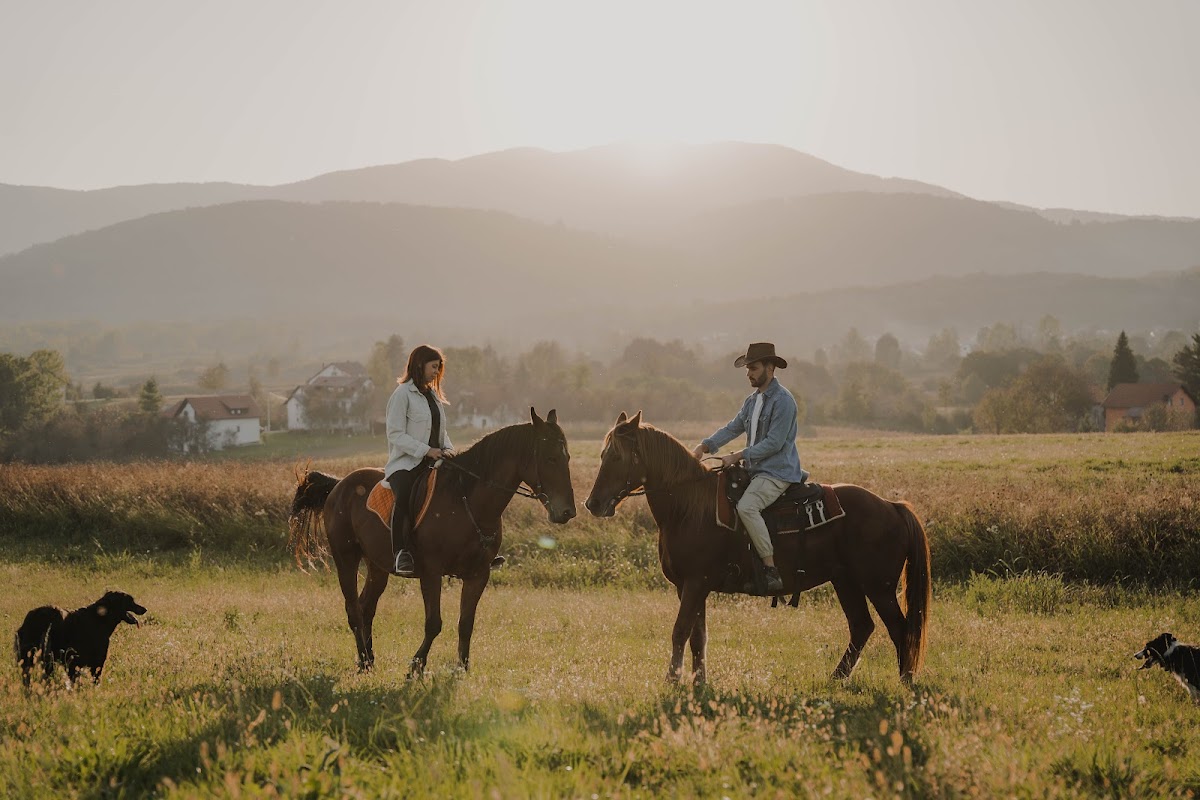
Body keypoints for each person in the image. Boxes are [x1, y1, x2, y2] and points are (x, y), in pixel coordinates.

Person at [692, 342, 807, 594]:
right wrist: (705, 446)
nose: (748, 374)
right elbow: (733, 427)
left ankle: (770, 569)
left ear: (770, 368)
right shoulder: (752, 401)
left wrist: (738, 455)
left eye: (753, 368)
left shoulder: (784, 401)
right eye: (747, 369)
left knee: (747, 507)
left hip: (777, 472)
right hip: (755, 471)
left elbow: (775, 443)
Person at [385, 344, 454, 576]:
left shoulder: (433, 396)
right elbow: (395, 434)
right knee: (404, 496)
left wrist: (449, 451)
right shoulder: (401, 394)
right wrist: (426, 451)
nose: (436, 372)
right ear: (419, 364)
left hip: (434, 461)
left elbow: (441, 432)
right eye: (433, 367)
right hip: (406, 464)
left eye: (438, 367)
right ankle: (401, 553)